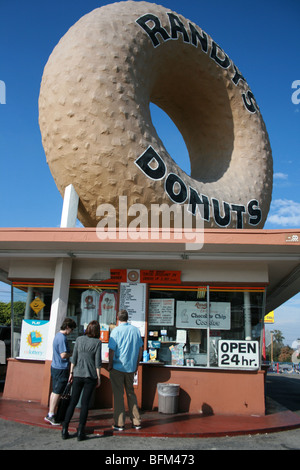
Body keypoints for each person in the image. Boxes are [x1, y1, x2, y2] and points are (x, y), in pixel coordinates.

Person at [62, 320, 102, 440]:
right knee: (85, 404)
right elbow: (98, 363)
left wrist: (71, 373)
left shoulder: (79, 340)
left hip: (78, 374)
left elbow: (73, 358)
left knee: (73, 402)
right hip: (90, 376)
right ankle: (80, 431)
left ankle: (65, 428)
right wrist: (99, 378)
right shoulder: (97, 342)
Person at [108, 309, 143, 431]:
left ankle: (119, 423)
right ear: (127, 318)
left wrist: (110, 365)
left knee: (118, 395)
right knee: (131, 393)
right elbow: (140, 350)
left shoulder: (115, 331)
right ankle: (136, 421)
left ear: (118, 318)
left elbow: (112, 350)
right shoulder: (136, 331)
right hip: (130, 368)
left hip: (117, 367)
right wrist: (136, 365)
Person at [44, 317, 77, 425]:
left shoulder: (57, 336)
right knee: (57, 392)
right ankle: (51, 414)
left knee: (55, 391)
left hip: (55, 366)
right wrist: (72, 353)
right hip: (61, 368)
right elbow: (63, 355)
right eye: (71, 329)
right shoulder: (62, 338)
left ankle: (51, 413)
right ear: (67, 327)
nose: (71, 332)